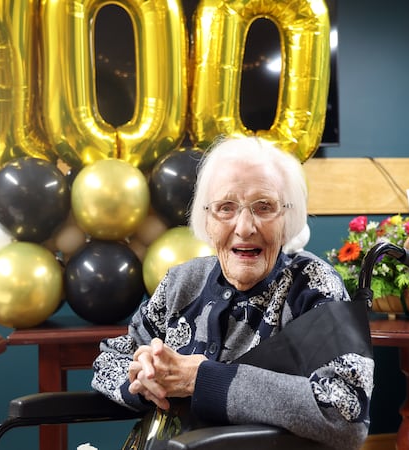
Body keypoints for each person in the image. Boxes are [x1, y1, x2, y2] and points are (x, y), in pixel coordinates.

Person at [91, 136, 374, 450]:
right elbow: (110, 359)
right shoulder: (182, 282)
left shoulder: (312, 284)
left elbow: (347, 413)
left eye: (263, 207)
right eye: (226, 208)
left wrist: (201, 379)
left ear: (287, 217)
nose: (244, 227)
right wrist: (143, 380)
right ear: (208, 220)